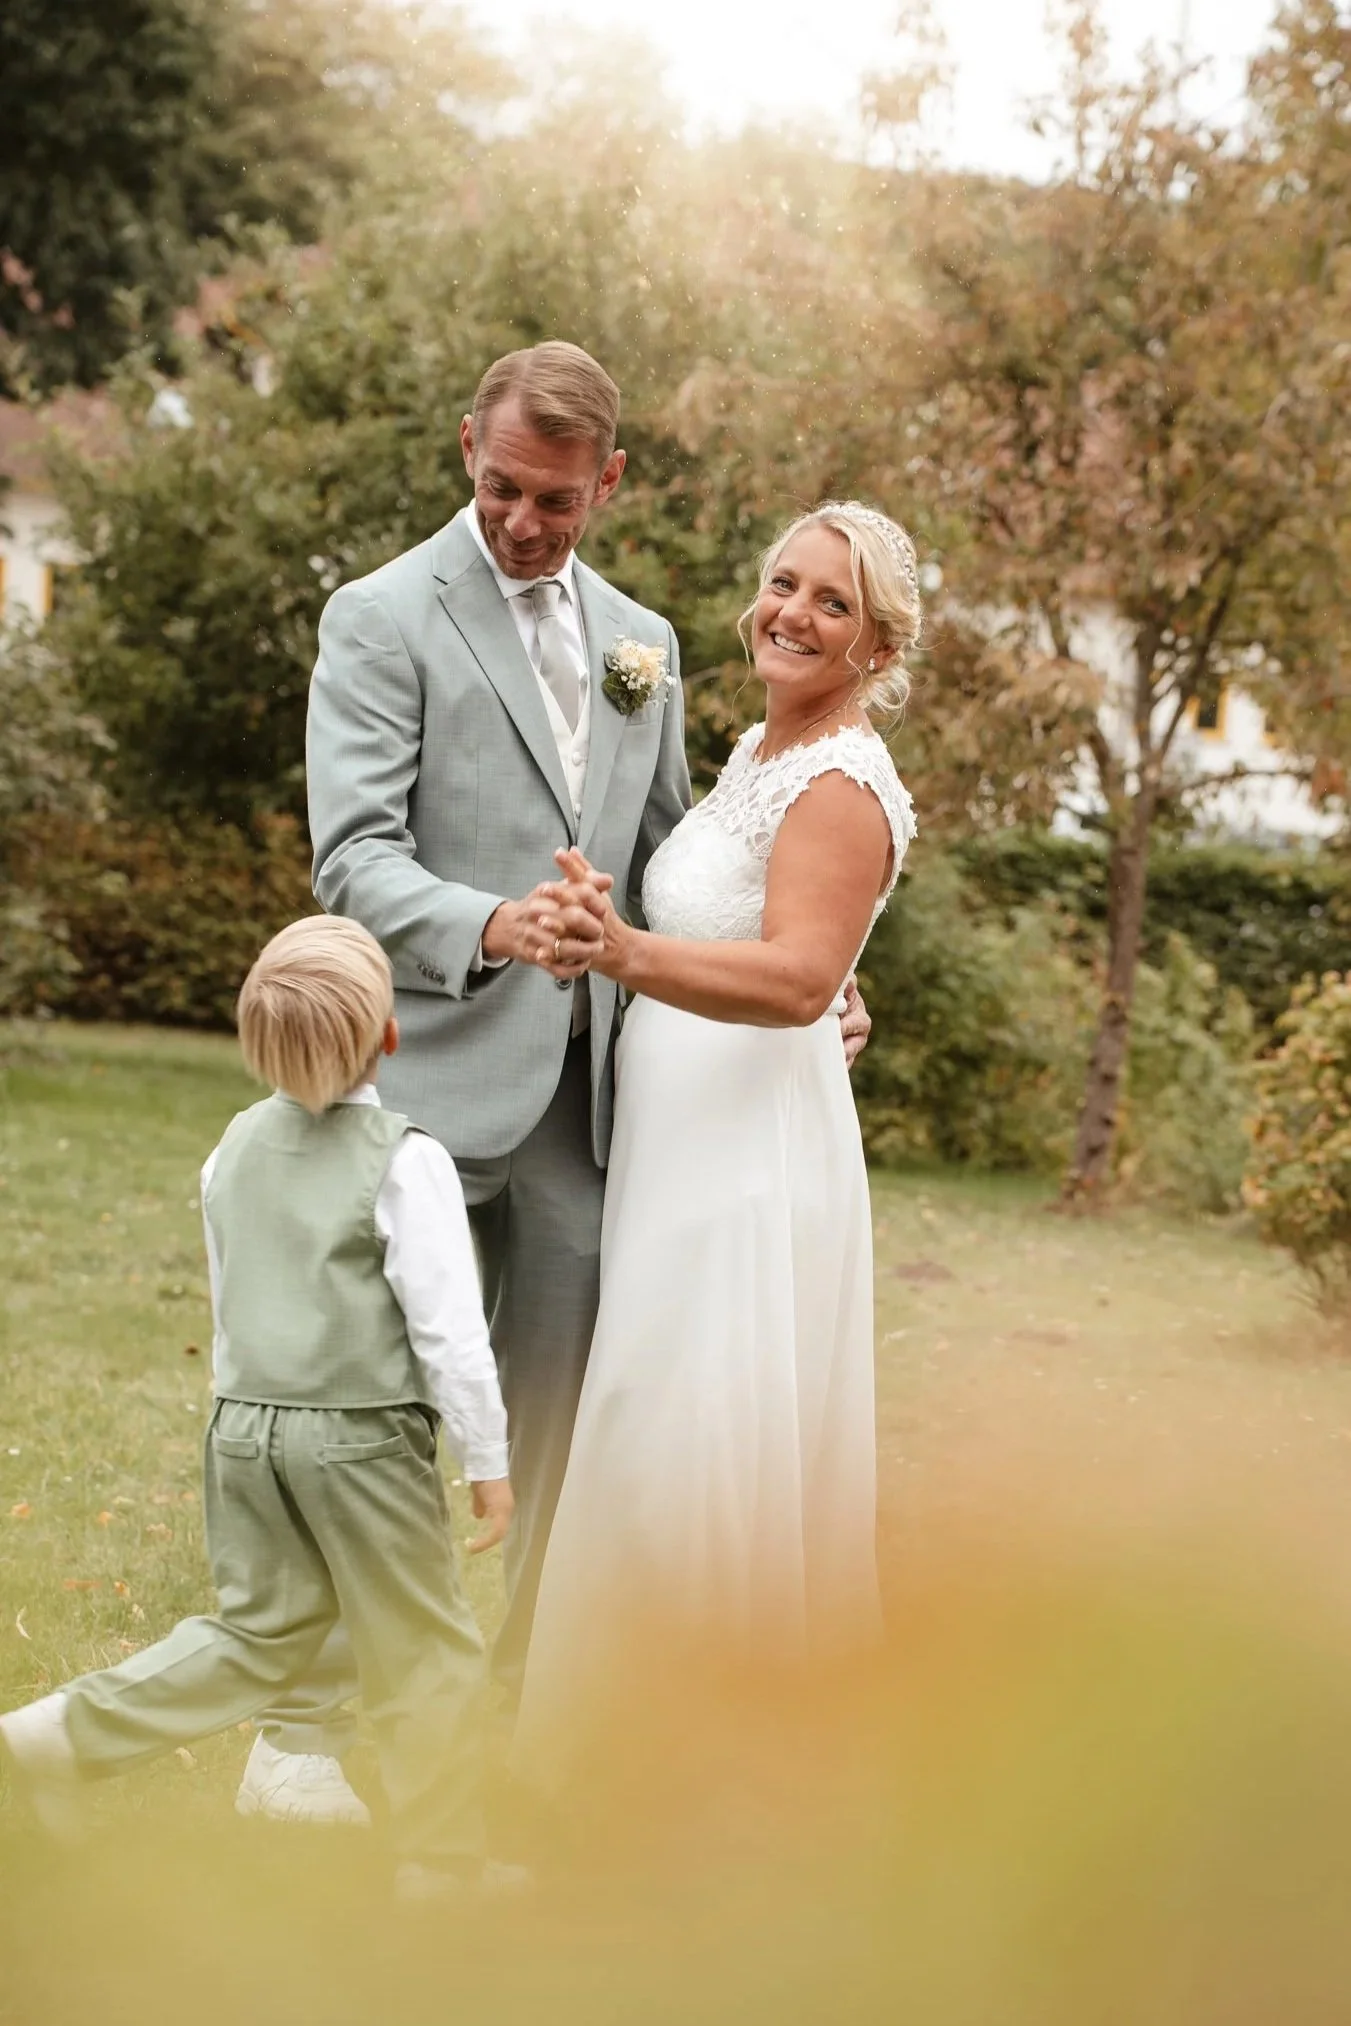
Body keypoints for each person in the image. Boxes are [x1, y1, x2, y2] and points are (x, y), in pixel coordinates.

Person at [265, 341, 871, 1823]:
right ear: (466, 443)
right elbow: (349, 853)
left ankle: (497, 1718)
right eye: (497, 488)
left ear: (607, 482)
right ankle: (314, 1729)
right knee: (377, 1413)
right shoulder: (379, 615)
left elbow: (673, 866)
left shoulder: (643, 642)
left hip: (590, 1124)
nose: (523, 523)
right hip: (418, 1083)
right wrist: (488, 921)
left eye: (553, 499)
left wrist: (813, 979)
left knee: (555, 1427)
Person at [509, 501, 919, 1786]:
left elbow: (799, 976)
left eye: (832, 602)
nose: (792, 612)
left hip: (745, 1166)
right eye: (784, 584)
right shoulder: (757, 747)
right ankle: (622, 1754)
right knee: (652, 1425)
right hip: (682, 1146)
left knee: (691, 1435)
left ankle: (684, 1782)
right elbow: (782, 945)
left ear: (876, 647)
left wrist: (622, 950)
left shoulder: (843, 779)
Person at [0, 916, 518, 1900]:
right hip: (361, 1436)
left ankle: (65, 1729)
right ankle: (443, 1868)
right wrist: (487, 1463)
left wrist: (242, 1415)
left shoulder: (227, 1148)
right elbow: (450, 1333)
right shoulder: (405, 1162)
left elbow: (228, 1291)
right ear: (391, 1034)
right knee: (427, 1648)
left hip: (243, 1426)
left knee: (258, 1632)